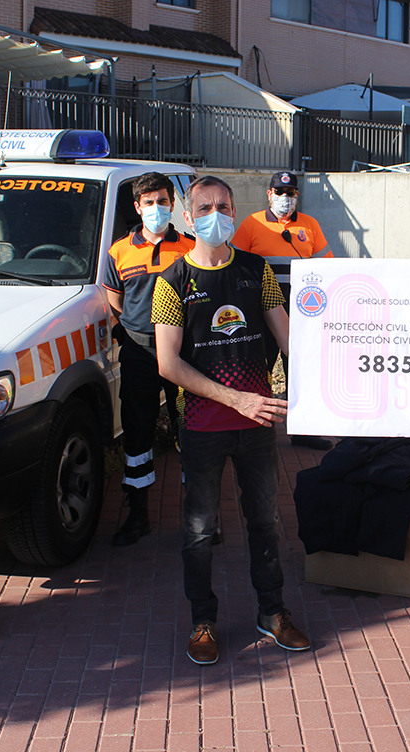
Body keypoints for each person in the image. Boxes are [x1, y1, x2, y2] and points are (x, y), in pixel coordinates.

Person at [153, 175, 311, 665]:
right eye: (204, 208)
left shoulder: (256, 271)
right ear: (187, 217)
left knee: (264, 522)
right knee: (200, 531)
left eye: (223, 206)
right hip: (202, 427)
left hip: (256, 426)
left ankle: (272, 612)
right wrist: (236, 399)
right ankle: (203, 621)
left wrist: (342, 383)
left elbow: (290, 341)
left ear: (235, 211)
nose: (215, 215)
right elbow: (168, 364)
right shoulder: (172, 281)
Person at [105, 172, 194, 545]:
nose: (156, 208)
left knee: (190, 430)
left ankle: (200, 517)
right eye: (148, 202)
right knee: (137, 432)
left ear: (172, 204)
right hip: (139, 354)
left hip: (184, 354)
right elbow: (115, 301)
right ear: (137, 207)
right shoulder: (119, 251)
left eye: (162, 201)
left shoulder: (191, 247)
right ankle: (138, 514)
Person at [231, 170, 332, 451]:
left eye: (290, 193)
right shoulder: (252, 224)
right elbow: (235, 264)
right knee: (258, 367)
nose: (284, 198)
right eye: (279, 192)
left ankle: (303, 430)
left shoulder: (310, 225)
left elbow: (326, 265)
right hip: (261, 311)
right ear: (269, 194)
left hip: (301, 312)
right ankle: (253, 429)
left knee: (299, 370)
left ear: (297, 195)